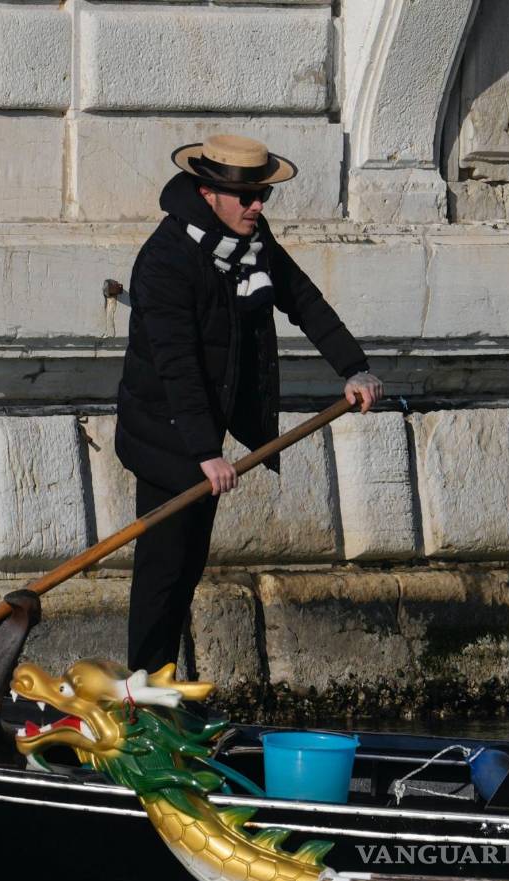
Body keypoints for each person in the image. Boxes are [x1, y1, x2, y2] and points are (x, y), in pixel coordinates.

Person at [116, 134, 383, 673]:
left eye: (262, 194)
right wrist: (202, 451)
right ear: (208, 192)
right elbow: (177, 365)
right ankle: (142, 693)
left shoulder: (250, 243)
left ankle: (160, 686)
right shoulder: (165, 260)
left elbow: (303, 298)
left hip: (204, 431)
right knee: (164, 571)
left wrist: (353, 368)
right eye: (246, 197)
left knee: (187, 569)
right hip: (165, 430)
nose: (257, 206)